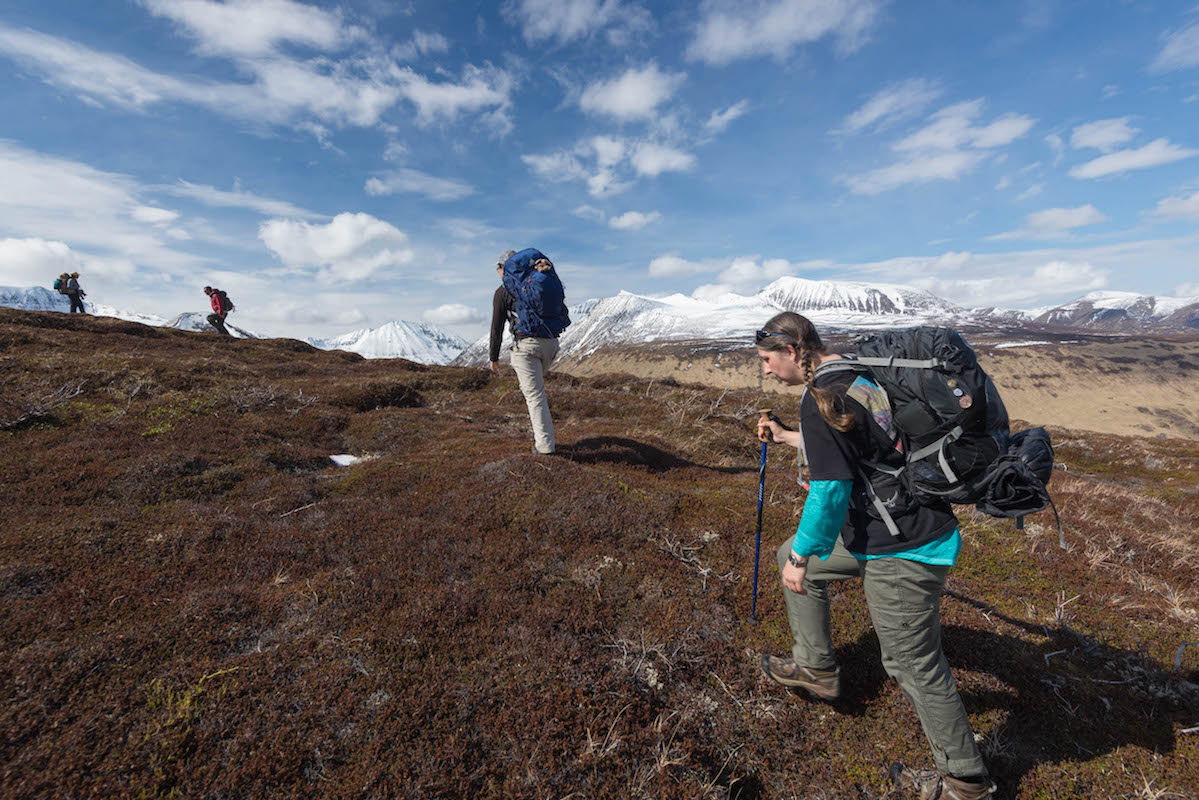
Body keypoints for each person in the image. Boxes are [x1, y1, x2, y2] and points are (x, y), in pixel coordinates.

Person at [754, 311, 995, 800]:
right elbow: (862, 446)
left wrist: (802, 557)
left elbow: (830, 487)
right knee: (789, 551)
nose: (764, 370)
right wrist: (787, 438)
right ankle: (816, 668)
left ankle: (965, 781)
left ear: (794, 351)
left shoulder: (818, 398)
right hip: (893, 524)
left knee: (912, 662)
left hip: (902, 543)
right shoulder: (855, 376)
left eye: (766, 359)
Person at [488, 249, 561, 455]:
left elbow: (496, 327)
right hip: (551, 344)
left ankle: (545, 448)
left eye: (498, 268)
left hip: (525, 348)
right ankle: (543, 435)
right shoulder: (537, 285)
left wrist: (493, 358)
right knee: (538, 393)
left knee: (535, 396)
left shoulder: (502, 292)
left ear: (504, 268)